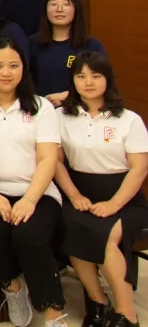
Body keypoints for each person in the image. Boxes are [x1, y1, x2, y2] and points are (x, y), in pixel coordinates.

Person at [0, 38, 66, 327]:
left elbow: (48, 160)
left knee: (29, 235)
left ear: (24, 68)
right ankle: (13, 287)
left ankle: (53, 312)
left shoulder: (42, 106)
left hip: (38, 192)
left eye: (13, 66)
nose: (6, 72)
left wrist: (29, 200)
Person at [55, 53, 148, 327]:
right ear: (73, 81)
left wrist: (114, 204)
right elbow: (55, 162)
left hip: (125, 199)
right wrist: (74, 195)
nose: (88, 82)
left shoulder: (128, 119)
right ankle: (98, 303)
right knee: (74, 227)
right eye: (81, 76)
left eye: (96, 76)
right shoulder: (60, 116)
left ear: (108, 79)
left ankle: (127, 314)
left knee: (103, 235)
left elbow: (140, 168)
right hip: (79, 195)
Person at [30, 0, 105, 105]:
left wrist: (68, 96)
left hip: (80, 109)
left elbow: (103, 83)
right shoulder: (32, 43)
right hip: (41, 109)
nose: (59, 9)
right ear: (45, 10)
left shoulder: (91, 46)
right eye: (53, 4)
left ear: (76, 9)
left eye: (66, 4)